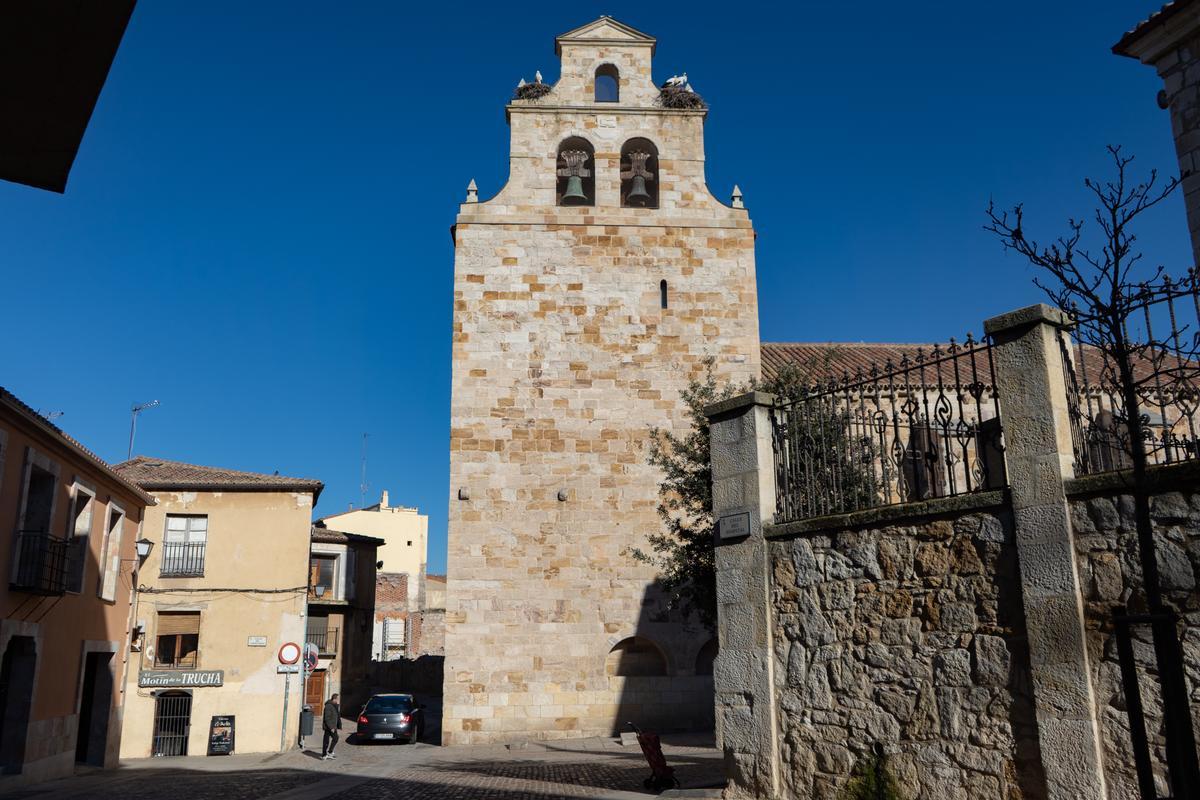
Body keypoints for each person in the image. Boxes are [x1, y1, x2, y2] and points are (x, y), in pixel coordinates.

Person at [321, 693, 342, 760]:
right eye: (338, 699)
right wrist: (331, 727)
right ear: (335, 699)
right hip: (329, 726)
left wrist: (338, 725)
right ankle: (328, 753)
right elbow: (327, 718)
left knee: (326, 740)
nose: (338, 700)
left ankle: (325, 754)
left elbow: (337, 716)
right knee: (335, 738)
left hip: (332, 726)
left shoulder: (334, 705)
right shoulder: (328, 706)